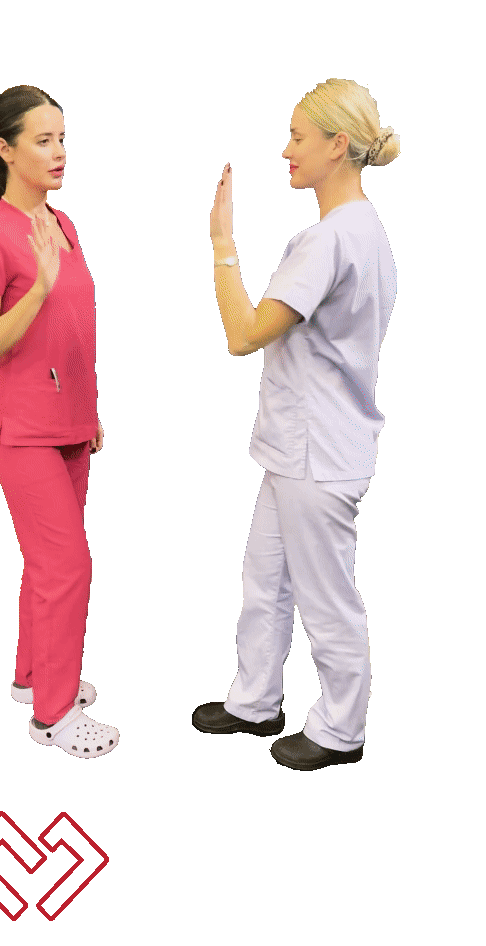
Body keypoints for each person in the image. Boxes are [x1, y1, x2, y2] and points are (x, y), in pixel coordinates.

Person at [192, 78, 399, 771]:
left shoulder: (326, 241)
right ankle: (256, 701)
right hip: (297, 450)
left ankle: (342, 730)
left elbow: (244, 334)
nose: (287, 151)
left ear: (338, 145)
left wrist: (222, 245)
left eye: (299, 138)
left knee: (326, 597)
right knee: (266, 583)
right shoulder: (367, 231)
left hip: (316, 455)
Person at [0, 87, 117, 759]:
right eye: (42, 141)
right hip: (22, 431)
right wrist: (40, 290)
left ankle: (32, 679)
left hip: (70, 426)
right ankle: (53, 717)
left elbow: (72, 332)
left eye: (62, 139)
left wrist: (88, 410)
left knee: (45, 566)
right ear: (6, 150)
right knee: (68, 568)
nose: (58, 153)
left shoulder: (64, 223)